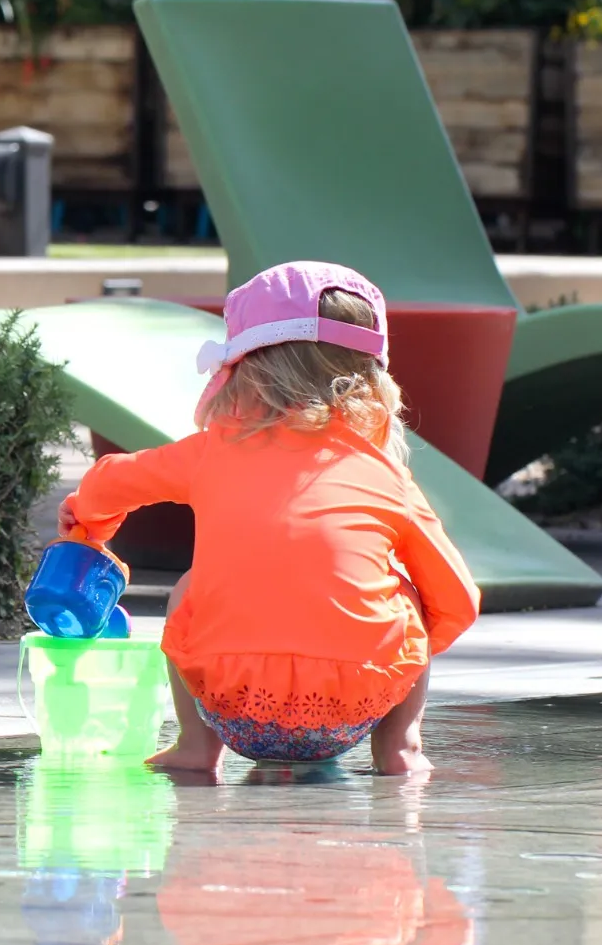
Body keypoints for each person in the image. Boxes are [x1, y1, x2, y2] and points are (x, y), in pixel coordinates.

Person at [57, 261, 481, 775]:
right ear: (374, 378)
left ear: (242, 370)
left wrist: (88, 525)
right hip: (355, 703)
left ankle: (196, 746)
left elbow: (111, 482)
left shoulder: (213, 452)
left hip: (231, 703)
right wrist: (386, 654)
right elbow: (459, 600)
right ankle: (400, 749)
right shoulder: (386, 476)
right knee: (406, 592)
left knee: (190, 586)